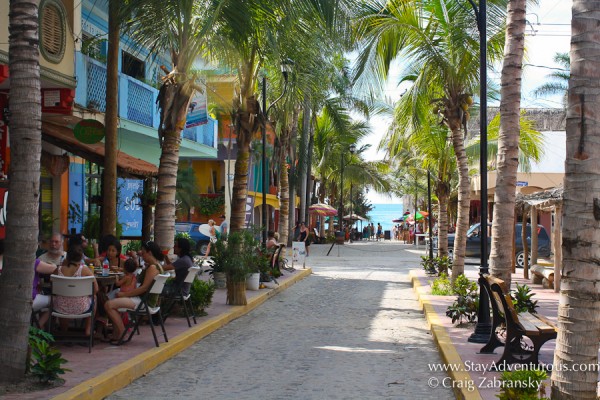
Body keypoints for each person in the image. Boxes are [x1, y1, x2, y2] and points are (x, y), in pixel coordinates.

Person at [104, 241, 164, 344]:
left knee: (108, 305)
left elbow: (143, 288)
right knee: (112, 300)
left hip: (144, 302)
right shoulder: (158, 266)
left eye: (144, 252)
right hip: (145, 300)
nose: (141, 253)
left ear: (149, 253)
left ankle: (122, 332)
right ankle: (117, 333)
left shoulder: (153, 268)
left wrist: (124, 294)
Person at [53, 245, 98, 336]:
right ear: (81, 257)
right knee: (95, 297)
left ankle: (64, 330)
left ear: (67, 256)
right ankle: (88, 329)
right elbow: (96, 289)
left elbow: (52, 286)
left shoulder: (58, 270)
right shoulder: (84, 270)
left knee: (63, 298)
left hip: (61, 307)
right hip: (81, 307)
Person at [32, 258, 59, 329]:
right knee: (58, 300)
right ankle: (39, 325)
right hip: (29, 300)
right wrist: (53, 264)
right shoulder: (31, 261)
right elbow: (53, 268)